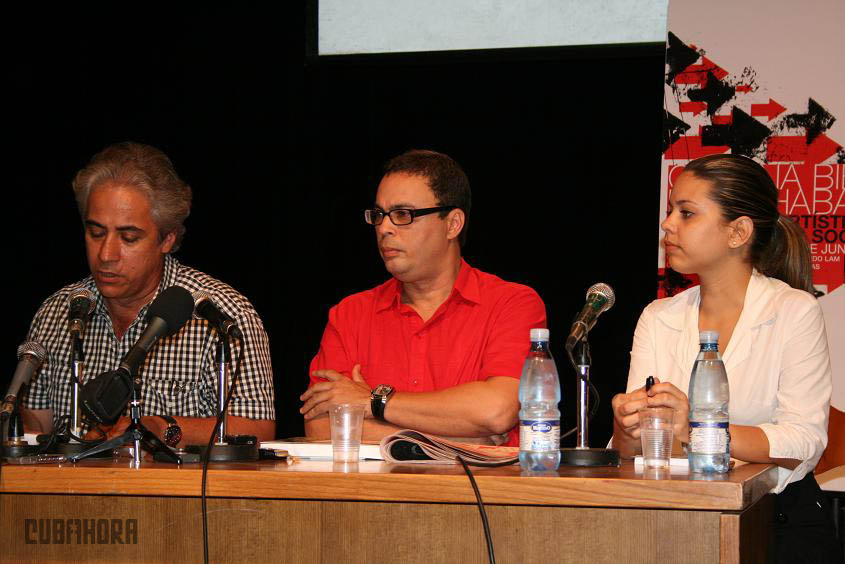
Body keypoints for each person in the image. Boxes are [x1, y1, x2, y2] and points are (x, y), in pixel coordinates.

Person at [611, 154, 841, 562]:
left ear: (738, 232)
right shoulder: (658, 316)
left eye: (686, 213)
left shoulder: (793, 311)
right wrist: (627, 425)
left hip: (775, 522)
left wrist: (698, 429)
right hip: (673, 519)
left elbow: (804, 440)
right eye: (670, 211)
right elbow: (636, 451)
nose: (667, 224)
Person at [20, 142, 275, 446]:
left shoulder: (219, 314)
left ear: (167, 238)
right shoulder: (57, 312)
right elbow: (34, 428)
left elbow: (257, 429)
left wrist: (159, 428)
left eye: (128, 237)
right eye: (96, 233)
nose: (106, 254)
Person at [300, 149, 546, 446]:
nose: (384, 228)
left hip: (480, 480)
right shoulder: (350, 314)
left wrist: (374, 402)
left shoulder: (512, 304)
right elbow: (320, 426)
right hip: (383, 480)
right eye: (379, 215)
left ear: (452, 224)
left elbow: (497, 411)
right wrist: (458, 438)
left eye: (403, 215)